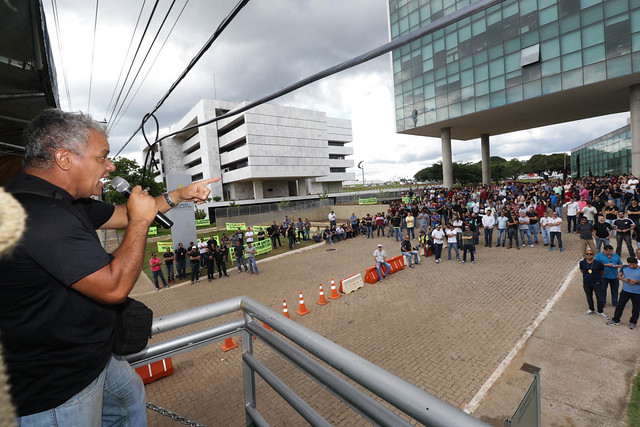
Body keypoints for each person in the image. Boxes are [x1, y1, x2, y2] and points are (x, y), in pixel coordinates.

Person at [0, 109, 216, 425]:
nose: (111, 166)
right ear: (64, 158)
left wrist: (180, 195)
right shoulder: (41, 215)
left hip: (91, 362)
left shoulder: (63, 200)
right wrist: (142, 222)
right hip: (57, 390)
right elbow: (114, 287)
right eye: (103, 157)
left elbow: (126, 213)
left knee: (130, 399)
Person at [607, 257, 640, 330]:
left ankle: (633, 322)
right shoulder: (625, 267)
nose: (631, 266)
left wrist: (637, 282)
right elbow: (619, 276)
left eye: (633, 264)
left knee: (636, 308)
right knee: (620, 306)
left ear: (636, 263)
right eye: (630, 264)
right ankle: (616, 319)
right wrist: (625, 279)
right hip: (625, 291)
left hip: (637, 293)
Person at [579, 250, 607, 318]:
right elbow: (582, 270)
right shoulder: (582, 263)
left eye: (590, 254)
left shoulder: (598, 263)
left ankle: (600, 311)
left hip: (596, 283)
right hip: (587, 283)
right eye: (587, 254)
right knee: (589, 297)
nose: (589, 255)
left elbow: (602, 272)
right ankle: (591, 309)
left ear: (593, 255)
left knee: (599, 298)